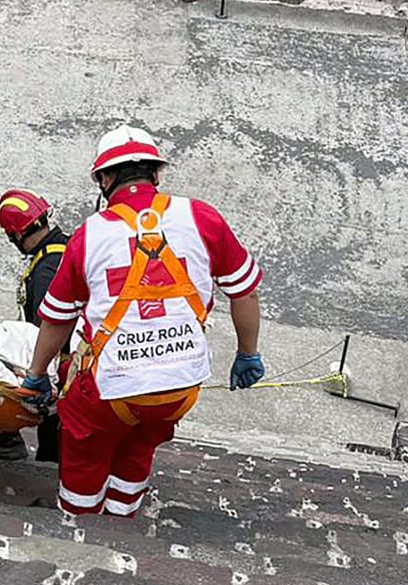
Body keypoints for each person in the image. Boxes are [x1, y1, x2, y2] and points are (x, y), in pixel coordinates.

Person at [21, 124, 265, 517]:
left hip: (109, 392)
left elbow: (57, 320)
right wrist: (247, 353)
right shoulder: (202, 218)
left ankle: (79, 522)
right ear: (156, 173)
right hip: (179, 387)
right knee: (140, 442)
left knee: (85, 450)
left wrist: (35, 374)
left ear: (105, 178)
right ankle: (122, 517)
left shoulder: (89, 236)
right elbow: (245, 292)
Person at [0, 188, 70, 462]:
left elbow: (48, 327)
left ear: (16, 235)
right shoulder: (63, 247)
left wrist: (38, 369)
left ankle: (22, 449)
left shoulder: (45, 269)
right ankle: (11, 439)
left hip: (60, 360)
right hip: (69, 356)